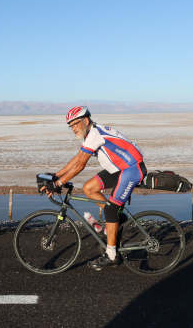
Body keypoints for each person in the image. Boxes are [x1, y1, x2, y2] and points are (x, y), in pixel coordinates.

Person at [42, 106, 147, 271]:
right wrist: (56, 175)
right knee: (89, 188)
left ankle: (112, 255)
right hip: (120, 169)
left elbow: (80, 166)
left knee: (111, 211)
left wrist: (58, 184)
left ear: (85, 120)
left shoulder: (94, 135)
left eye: (75, 124)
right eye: (70, 126)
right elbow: (77, 159)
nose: (73, 129)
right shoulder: (91, 134)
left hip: (131, 170)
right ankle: (117, 219)